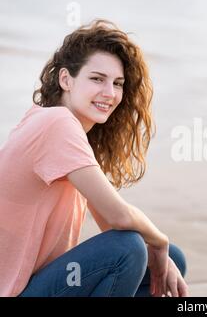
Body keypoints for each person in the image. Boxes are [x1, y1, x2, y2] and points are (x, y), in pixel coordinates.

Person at [0, 19, 189, 297]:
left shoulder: (58, 127)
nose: (110, 93)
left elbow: (110, 220)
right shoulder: (57, 124)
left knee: (168, 258)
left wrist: (160, 250)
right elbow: (120, 216)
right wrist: (159, 241)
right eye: (97, 79)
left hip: (36, 285)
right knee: (130, 250)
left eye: (118, 83)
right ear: (66, 79)